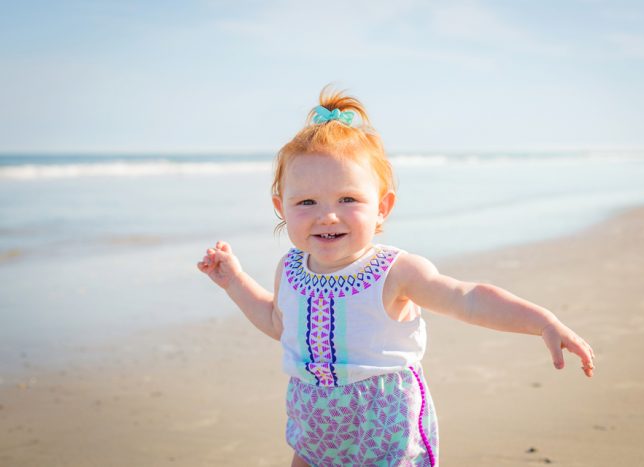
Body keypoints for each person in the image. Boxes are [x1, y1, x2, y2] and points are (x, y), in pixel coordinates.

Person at [197, 86, 595, 466]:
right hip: (314, 428)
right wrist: (234, 281)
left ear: (382, 207)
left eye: (348, 199)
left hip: (384, 429)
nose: (327, 215)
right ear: (280, 207)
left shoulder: (395, 272)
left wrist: (542, 322)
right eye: (306, 202)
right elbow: (278, 322)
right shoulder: (291, 269)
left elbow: (468, 298)